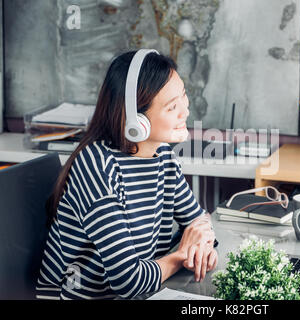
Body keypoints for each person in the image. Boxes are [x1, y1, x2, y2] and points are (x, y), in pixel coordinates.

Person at [36, 50, 218, 299]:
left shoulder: (162, 155)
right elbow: (128, 281)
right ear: (136, 120)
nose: (185, 111)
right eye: (172, 106)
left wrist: (203, 242)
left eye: (184, 95)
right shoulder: (97, 167)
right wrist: (181, 256)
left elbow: (197, 220)